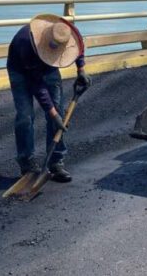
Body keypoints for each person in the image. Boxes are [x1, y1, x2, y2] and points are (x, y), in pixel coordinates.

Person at [6, 14, 91, 182]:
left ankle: (56, 161)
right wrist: (54, 115)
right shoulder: (26, 42)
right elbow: (38, 86)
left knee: (58, 111)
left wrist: (81, 69)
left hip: (49, 68)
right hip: (21, 71)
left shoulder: (67, 32)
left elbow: (78, 47)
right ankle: (27, 163)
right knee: (25, 116)